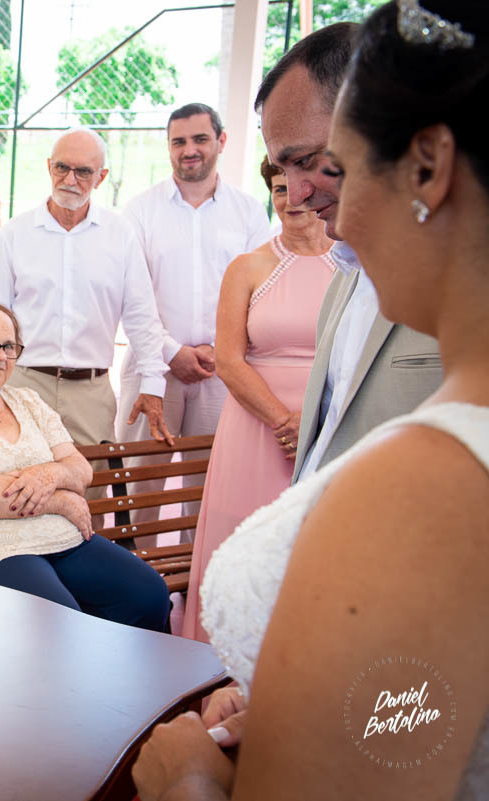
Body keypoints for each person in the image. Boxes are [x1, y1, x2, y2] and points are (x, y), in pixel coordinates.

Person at [134, 5, 488, 798]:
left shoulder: (429, 473)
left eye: (339, 166)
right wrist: (301, 712)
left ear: (427, 166)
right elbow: (421, 712)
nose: (311, 202)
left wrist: (187, 777)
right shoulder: (339, 295)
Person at [0, 302, 169, 632]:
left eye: (10, 346)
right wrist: (60, 500)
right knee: (59, 620)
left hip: (56, 536)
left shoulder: (26, 400)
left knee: (149, 594)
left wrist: (47, 474)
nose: (1, 355)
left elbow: (80, 469)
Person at [254, 23, 444, 487]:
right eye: (281, 169)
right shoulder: (345, 275)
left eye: (305, 161)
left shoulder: (462, 273)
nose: (295, 195)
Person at [180, 158, 334, 643]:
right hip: (255, 428)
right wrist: (284, 422)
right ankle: (218, 677)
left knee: (312, 548)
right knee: (242, 543)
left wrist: (313, 422)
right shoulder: (248, 267)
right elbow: (228, 359)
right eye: (279, 189)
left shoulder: (353, 268)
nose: (290, 200)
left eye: (299, 187)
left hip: (329, 423)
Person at [0, 129, 172, 479]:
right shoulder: (14, 234)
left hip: (92, 392)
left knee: (91, 497)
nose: (70, 179)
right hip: (24, 384)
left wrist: (152, 385)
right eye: (62, 167)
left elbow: (141, 317)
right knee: (17, 490)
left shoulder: (120, 235)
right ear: (48, 167)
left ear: (101, 178)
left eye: (83, 171)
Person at [118, 104, 270, 538]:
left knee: (209, 492)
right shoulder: (140, 211)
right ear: (168, 148)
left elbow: (258, 291)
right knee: (138, 489)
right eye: (179, 141)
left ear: (221, 142)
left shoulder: (248, 212)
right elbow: (133, 297)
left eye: (200, 139)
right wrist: (172, 352)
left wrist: (217, 351)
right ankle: (136, 588)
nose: (189, 150)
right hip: (152, 370)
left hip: (223, 372)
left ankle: (194, 585)